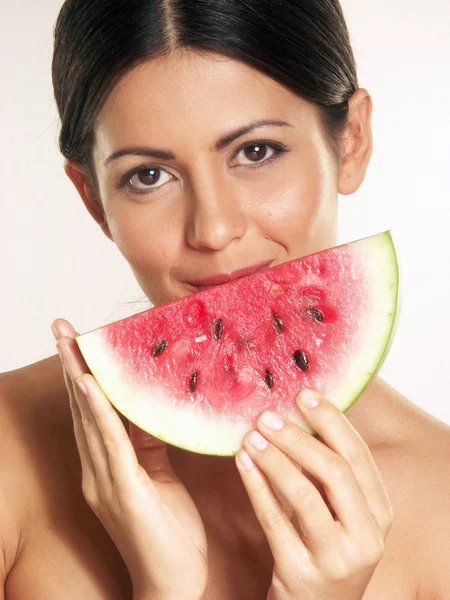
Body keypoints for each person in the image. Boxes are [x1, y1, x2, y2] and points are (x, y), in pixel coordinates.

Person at [1, 0, 449, 598]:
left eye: (256, 151)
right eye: (148, 176)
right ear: (92, 199)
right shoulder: (11, 446)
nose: (212, 230)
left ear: (351, 141)